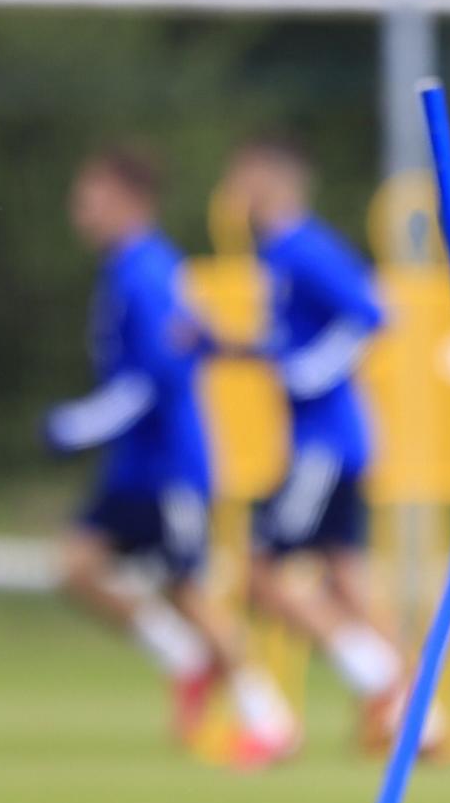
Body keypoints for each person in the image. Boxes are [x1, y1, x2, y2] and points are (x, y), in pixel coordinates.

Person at [45, 146, 297, 767]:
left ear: (129, 200)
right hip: (132, 467)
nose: (81, 210)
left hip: (171, 468)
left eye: (92, 196)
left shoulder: (148, 271)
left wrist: (79, 423)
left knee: (191, 592)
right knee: (76, 567)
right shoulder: (126, 268)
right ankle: (184, 660)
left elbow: (160, 376)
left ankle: (272, 721)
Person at [219, 137, 424, 752]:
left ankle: (382, 683)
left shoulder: (301, 245)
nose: (232, 188)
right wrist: (220, 346)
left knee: (259, 574)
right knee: (347, 582)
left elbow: (375, 313)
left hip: (325, 444)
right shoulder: (276, 252)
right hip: (333, 442)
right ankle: (422, 716)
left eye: (241, 174)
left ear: (271, 180)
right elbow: (289, 346)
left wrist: (316, 368)